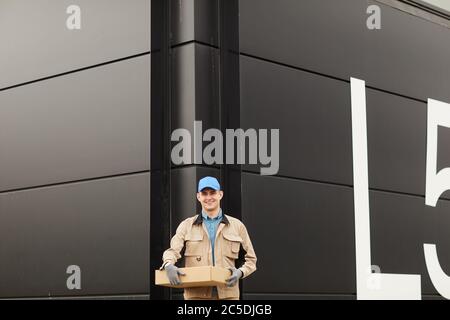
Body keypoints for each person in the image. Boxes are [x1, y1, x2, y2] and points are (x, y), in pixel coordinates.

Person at [160, 176, 257, 300]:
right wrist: (168, 265)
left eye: (213, 193)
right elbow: (172, 251)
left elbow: (251, 260)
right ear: (198, 196)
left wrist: (240, 272)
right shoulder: (186, 225)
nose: (209, 197)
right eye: (204, 193)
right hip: (196, 296)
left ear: (220, 194)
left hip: (228, 295)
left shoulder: (237, 226)